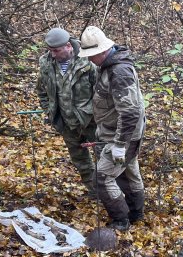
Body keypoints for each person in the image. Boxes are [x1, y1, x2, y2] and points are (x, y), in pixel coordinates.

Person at [78, 26, 145, 231]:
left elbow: (130, 112)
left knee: (102, 177)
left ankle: (121, 220)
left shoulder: (119, 71)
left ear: (102, 51)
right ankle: (135, 214)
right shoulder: (108, 65)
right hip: (114, 132)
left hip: (124, 136)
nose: (89, 60)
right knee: (128, 173)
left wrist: (119, 145)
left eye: (91, 55)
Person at [37, 27, 98, 197]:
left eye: (56, 50)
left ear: (69, 46)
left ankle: (112, 195)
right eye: (50, 50)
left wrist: (94, 113)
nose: (53, 54)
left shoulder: (88, 61)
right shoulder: (46, 63)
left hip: (92, 121)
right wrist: (49, 111)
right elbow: (42, 91)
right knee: (80, 160)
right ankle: (94, 193)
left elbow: (101, 92)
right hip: (65, 122)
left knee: (105, 159)